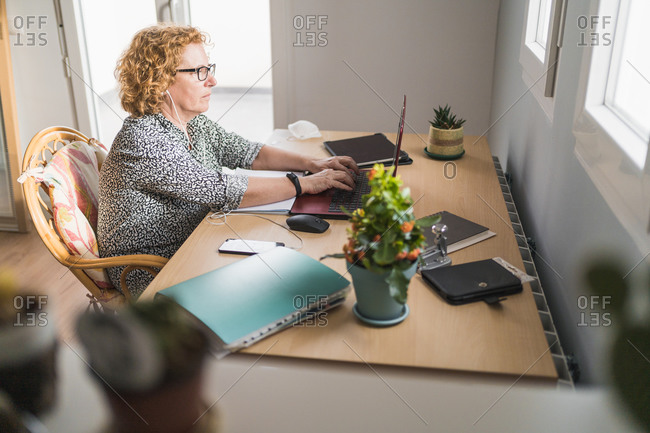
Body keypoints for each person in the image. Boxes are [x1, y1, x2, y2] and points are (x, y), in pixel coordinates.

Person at [98, 24, 358, 298]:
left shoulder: (192, 123)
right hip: (156, 270)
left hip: (199, 240)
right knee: (279, 277)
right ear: (160, 81)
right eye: (199, 72)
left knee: (286, 259)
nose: (212, 81)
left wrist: (313, 164)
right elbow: (221, 189)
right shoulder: (143, 139)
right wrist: (302, 185)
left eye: (209, 68)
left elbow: (246, 151)